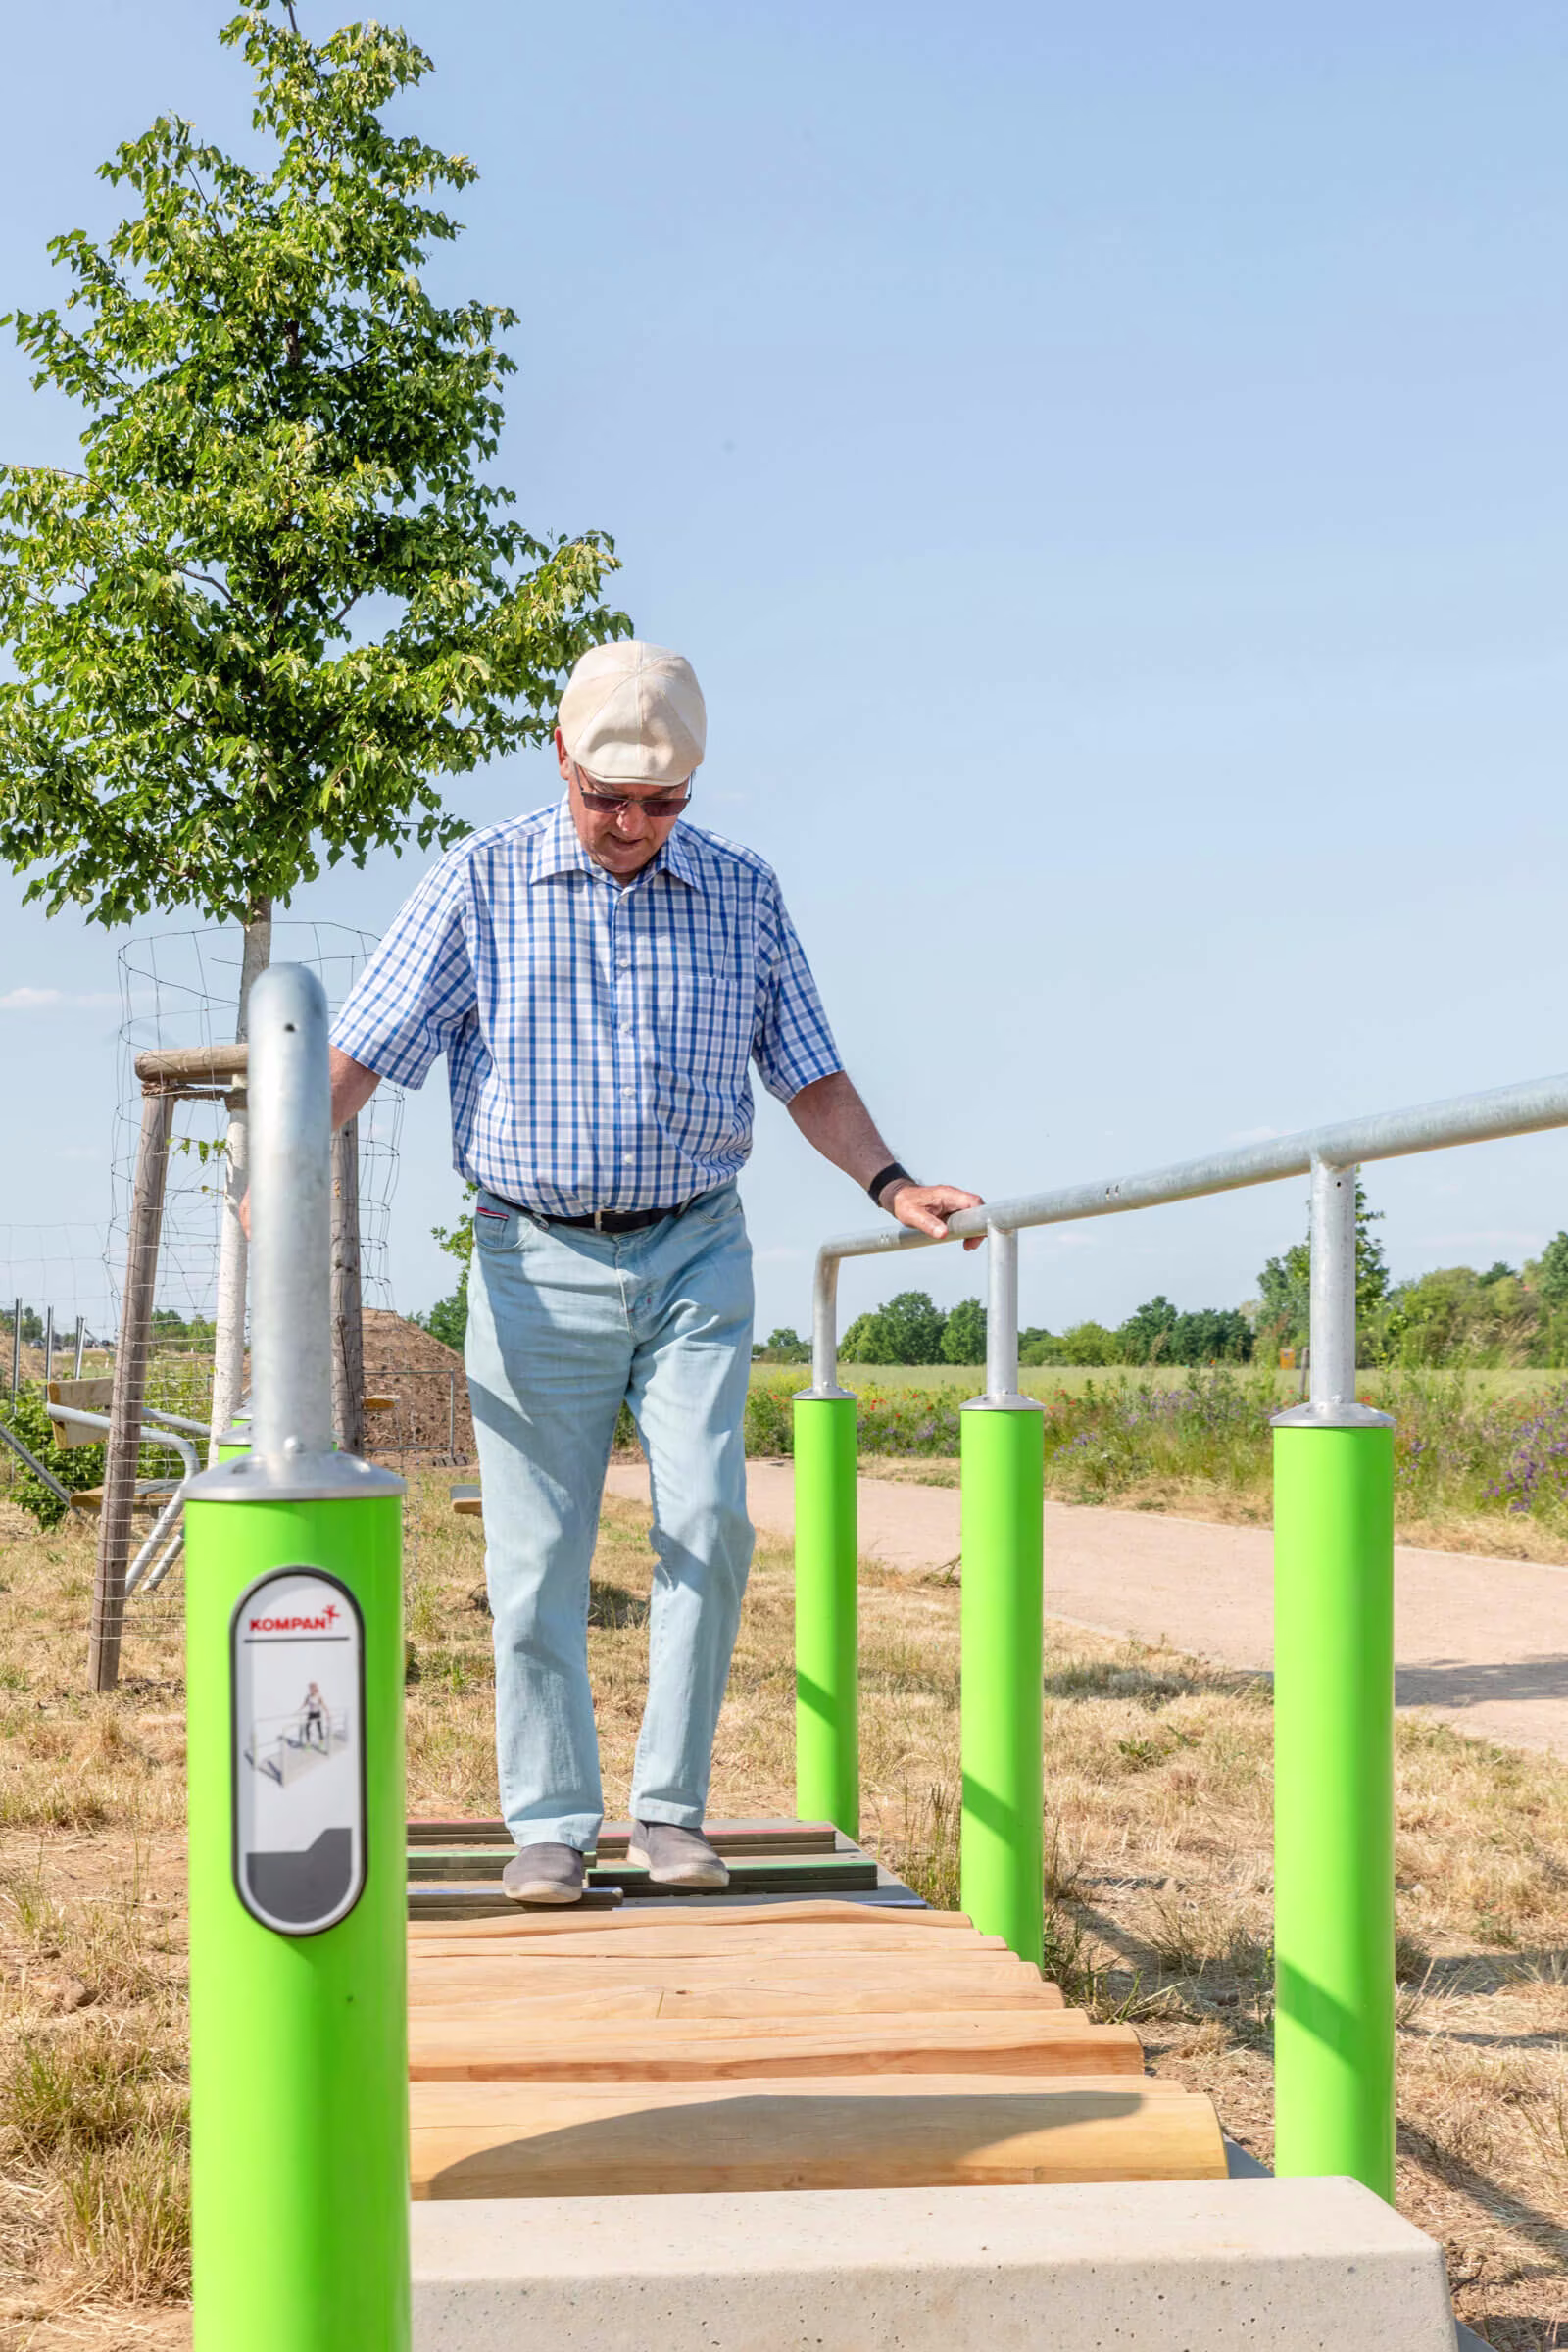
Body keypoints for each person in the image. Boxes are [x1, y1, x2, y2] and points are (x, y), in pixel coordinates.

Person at [325, 641, 982, 1903]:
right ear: (560, 758)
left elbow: (808, 1067)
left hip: (695, 1247)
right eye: (608, 798)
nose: (632, 825)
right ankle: (553, 1824)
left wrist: (891, 1185)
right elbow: (360, 1053)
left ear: (693, 784)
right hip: (531, 1254)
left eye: (661, 802)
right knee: (537, 1557)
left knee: (709, 1522)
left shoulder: (741, 893)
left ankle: (670, 1810)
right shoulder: (478, 884)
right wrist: (280, 1165)